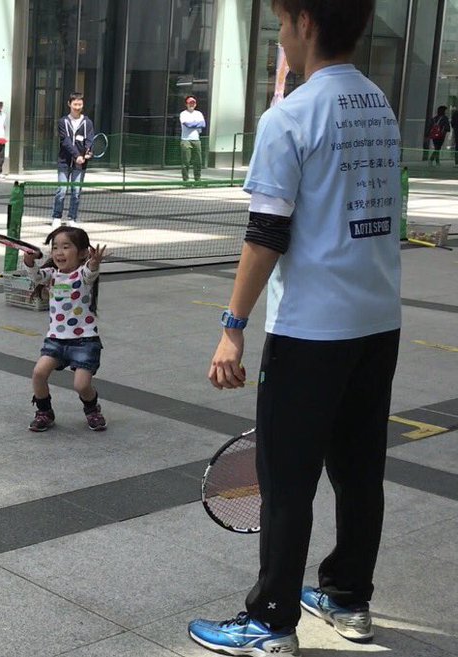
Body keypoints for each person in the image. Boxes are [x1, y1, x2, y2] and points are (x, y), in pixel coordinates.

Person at [189, 1, 402, 655]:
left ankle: (272, 621)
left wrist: (233, 325)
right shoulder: (382, 109)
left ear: (306, 23)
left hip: (311, 329)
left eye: (282, 24)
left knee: (286, 479)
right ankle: (347, 595)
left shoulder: (291, 116)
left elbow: (265, 235)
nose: (281, 37)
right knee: (360, 471)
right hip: (378, 321)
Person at [21, 226, 109, 433]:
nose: (59, 252)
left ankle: (92, 409)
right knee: (39, 373)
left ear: (82, 253)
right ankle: (44, 412)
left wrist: (94, 263)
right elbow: (35, 276)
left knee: (81, 385)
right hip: (56, 339)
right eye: (55, 247)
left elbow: (90, 272)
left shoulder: (82, 276)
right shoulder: (51, 275)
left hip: (84, 341)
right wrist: (29, 261)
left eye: (66, 247)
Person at [51, 93, 95, 228]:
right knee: (62, 190)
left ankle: (72, 218)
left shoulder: (87, 122)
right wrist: (77, 156)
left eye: (80, 104)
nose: (77, 107)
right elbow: (66, 141)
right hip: (64, 161)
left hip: (80, 165)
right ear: (69, 104)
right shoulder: (62, 122)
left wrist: (88, 153)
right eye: (75, 104)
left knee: (76, 192)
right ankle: (57, 217)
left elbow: (90, 140)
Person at [180, 95, 207, 182]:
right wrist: (196, 123)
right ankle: (186, 180)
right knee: (186, 162)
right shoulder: (183, 114)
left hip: (196, 140)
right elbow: (187, 125)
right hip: (186, 140)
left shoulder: (199, 114)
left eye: (193, 103)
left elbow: (203, 124)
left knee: (198, 161)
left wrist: (192, 124)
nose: (192, 104)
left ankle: (197, 179)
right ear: (186, 104)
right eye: (190, 103)